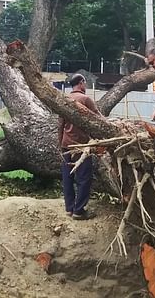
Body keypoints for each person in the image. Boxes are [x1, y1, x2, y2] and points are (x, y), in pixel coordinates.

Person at [58, 74, 99, 220]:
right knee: (84, 178)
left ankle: (69, 208)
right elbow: (99, 120)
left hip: (66, 144)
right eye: (85, 83)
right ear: (81, 83)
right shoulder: (85, 100)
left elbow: (60, 124)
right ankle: (79, 210)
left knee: (67, 177)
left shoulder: (65, 100)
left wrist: (60, 143)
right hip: (81, 146)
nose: (86, 86)